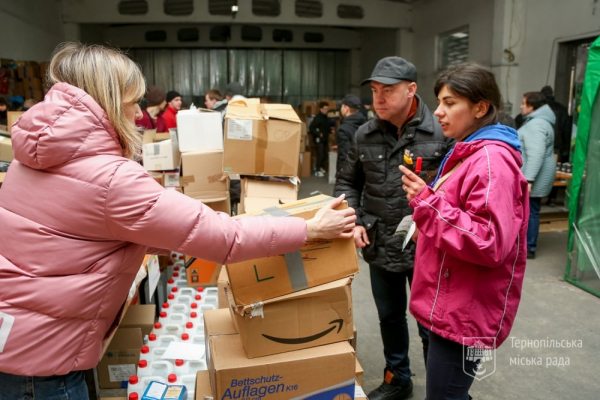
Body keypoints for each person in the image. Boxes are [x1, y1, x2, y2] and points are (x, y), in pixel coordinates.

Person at [0, 42, 356, 399]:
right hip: (43, 365)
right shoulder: (111, 179)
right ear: (108, 100)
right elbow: (223, 238)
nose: (139, 114)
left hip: (16, 342)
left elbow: (86, 232)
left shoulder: (31, 157)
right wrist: (310, 229)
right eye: (132, 101)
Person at [400, 63, 528, 400]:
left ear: (480, 108)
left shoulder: (490, 161)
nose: (439, 112)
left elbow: (488, 241)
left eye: (450, 102)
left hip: (463, 314)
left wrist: (427, 204)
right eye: (439, 102)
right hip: (450, 303)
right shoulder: (468, 152)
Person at [335, 56, 453, 400]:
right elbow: (347, 182)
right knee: (389, 316)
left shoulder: (440, 131)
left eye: (388, 90)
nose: (379, 99)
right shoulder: (364, 134)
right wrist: (353, 219)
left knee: (431, 324)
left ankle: (441, 389)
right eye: (374, 91)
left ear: (411, 90)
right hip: (380, 239)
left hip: (428, 245)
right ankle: (398, 377)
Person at [518, 91, 556, 259]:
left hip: (532, 177)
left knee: (530, 211)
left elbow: (535, 154)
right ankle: (527, 245)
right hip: (532, 175)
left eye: (523, 103)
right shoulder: (539, 122)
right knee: (531, 210)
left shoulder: (536, 125)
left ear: (532, 106)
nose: (521, 106)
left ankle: (529, 247)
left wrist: (529, 179)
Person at [541, 85, 572, 207]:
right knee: (553, 172)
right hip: (556, 147)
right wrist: (565, 148)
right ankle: (552, 198)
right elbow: (567, 131)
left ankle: (537, 196)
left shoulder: (540, 110)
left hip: (542, 143)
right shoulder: (562, 110)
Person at [336, 94, 366, 174]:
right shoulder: (366, 125)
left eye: (342, 106)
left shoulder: (343, 129)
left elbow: (345, 156)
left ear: (346, 108)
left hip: (349, 174)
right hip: (365, 171)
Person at [309, 101, 331, 177]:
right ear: (321, 109)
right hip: (319, 139)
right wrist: (318, 134)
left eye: (327, 109)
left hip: (325, 139)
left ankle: (321, 167)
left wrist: (331, 131)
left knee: (325, 154)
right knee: (320, 154)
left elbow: (326, 127)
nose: (326, 110)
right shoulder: (317, 118)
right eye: (325, 109)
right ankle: (317, 170)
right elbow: (311, 128)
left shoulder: (326, 117)